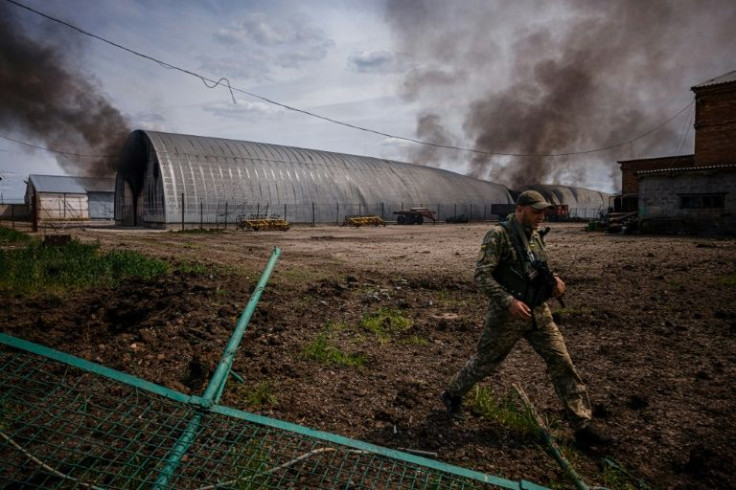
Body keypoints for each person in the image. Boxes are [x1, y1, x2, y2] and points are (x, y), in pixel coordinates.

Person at [440, 190, 613, 449]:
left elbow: (537, 268)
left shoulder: (535, 236)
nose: (541, 216)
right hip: (507, 315)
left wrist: (554, 282)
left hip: (538, 313)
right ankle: (452, 393)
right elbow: (482, 275)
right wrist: (508, 301)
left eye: (543, 212)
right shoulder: (499, 235)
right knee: (485, 362)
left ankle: (583, 425)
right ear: (520, 209)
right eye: (536, 212)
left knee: (562, 361)